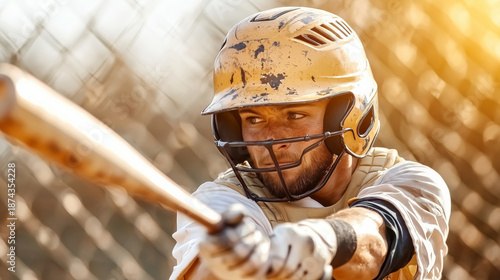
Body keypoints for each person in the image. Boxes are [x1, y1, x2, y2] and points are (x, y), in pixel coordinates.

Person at [171, 6, 450, 280]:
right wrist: (231, 268)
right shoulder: (222, 202)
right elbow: (203, 273)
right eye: (253, 119)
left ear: (348, 118)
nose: (271, 138)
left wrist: (323, 240)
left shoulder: (413, 183)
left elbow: (375, 240)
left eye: (294, 114)